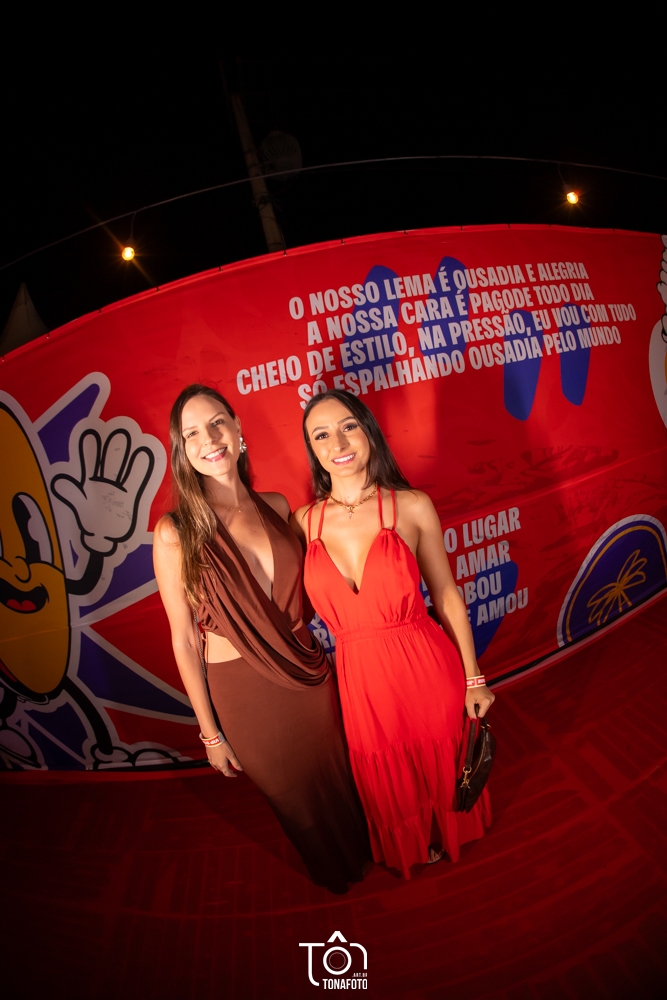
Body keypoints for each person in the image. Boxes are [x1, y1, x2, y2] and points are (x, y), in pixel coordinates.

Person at [153, 384, 370, 893]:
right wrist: (210, 733)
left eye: (217, 423)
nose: (209, 439)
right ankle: (337, 878)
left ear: (237, 428)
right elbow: (183, 639)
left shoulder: (277, 505)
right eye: (191, 433)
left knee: (341, 775)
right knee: (295, 800)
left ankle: (372, 852)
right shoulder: (174, 532)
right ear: (182, 450)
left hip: (309, 673)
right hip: (244, 694)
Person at [292, 389, 494, 880]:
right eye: (321, 435)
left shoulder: (412, 506)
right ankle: (412, 840)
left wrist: (474, 678)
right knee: (383, 769)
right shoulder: (302, 522)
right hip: (360, 681)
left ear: (368, 431)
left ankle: (448, 831)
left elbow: (446, 595)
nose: (338, 443)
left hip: (425, 665)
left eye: (348, 427)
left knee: (440, 757)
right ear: (312, 449)